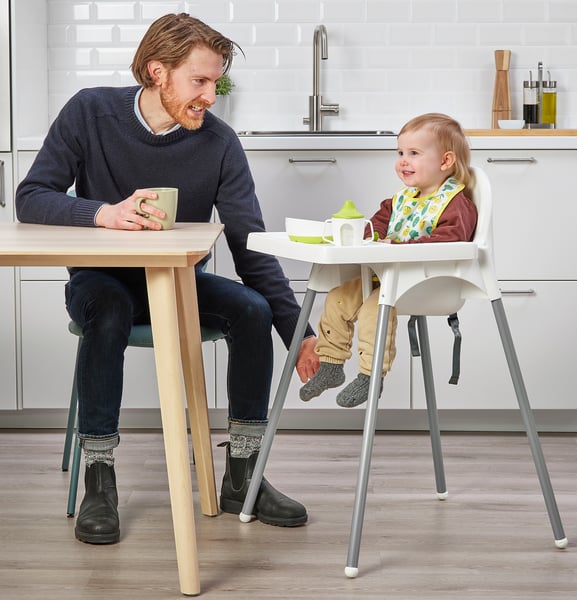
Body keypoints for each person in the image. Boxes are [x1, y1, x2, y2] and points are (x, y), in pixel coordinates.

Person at [15, 13, 320, 544]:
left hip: (177, 286)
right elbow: (31, 196)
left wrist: (301, 334)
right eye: (199, 81)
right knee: (108, 309)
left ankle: (242, 476)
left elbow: (250, 244)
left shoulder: (219, 143)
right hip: (98, 283)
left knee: (252, 309)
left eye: (216, 82)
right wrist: (101, 213)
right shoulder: (90, 112)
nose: (210, 96)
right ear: (158, 72)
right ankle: (100, 479)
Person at [299, 113, 478, 409]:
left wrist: (398, 246)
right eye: (400, 153)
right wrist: (366, 238)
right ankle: (331, 364)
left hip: (426, 282)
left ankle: (371, 376)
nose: (403, 161)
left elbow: (452, 240)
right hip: (385, 276)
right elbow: (376, 226)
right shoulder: (401, 200)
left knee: (373, 309)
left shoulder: (455, 203)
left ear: (445, 162)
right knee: (337, 298)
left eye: (414, 153)